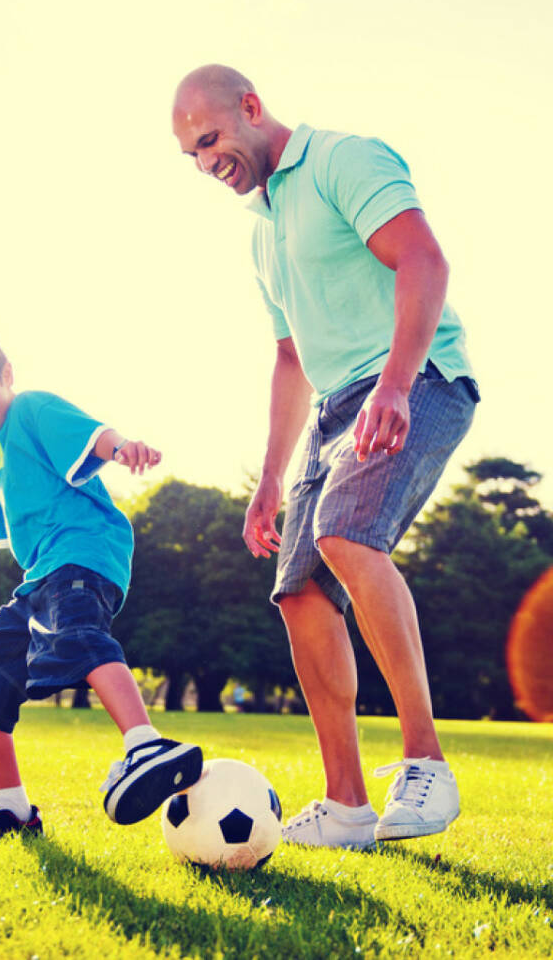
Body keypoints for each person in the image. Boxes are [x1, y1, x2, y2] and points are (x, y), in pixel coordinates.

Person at [171, 64, 479, 851]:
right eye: (192, 156)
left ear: (250, 107)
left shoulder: (344, 159)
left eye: (210, 140)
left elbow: (424, 261)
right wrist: (268, 478)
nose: (208, 162)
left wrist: (396, 385)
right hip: (337, 402)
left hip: (419, 378)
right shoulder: (260, 229)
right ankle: (346, 804)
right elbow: (288, 358)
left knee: (346, 532)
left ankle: (426, 764)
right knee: (299, 589)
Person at [0, 322, 203, 837]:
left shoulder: (30, 407)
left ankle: (147, 745)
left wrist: (120, 449)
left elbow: (88, 433)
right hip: (40, 578)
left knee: (77, 636)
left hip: (82, 552)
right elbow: (21, 530)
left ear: (6, 375)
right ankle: (11, 808)